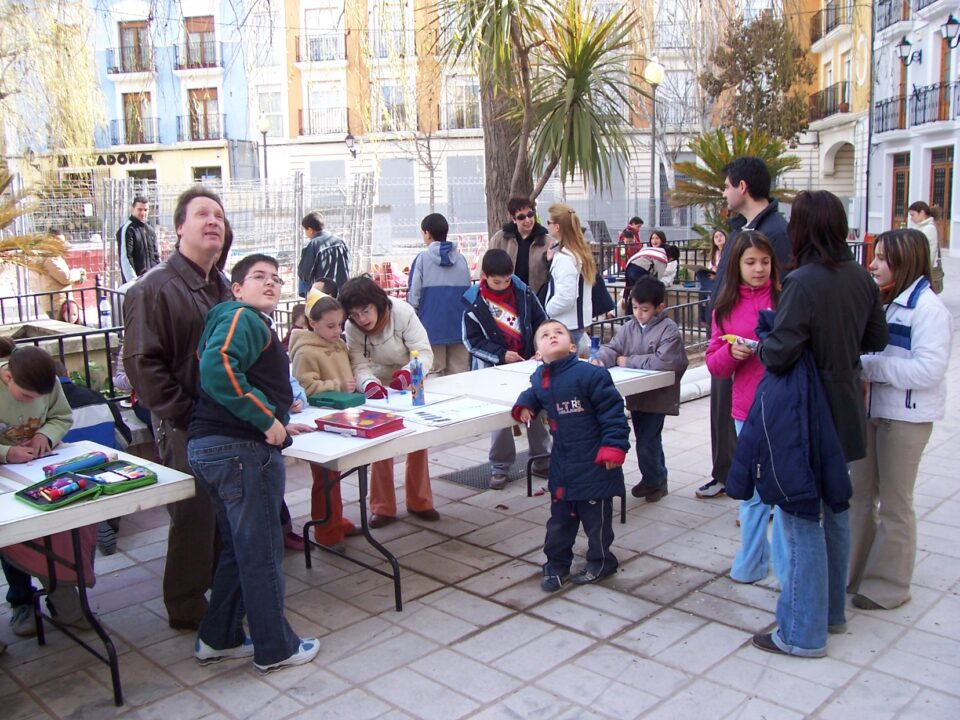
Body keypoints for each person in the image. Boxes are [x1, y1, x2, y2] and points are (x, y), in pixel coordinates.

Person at [748, 190, 887, 658]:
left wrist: (764, 341)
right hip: (846, 408)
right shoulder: (860, 278)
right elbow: (875, 337)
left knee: (802, 519)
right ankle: (831, 614)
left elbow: (781, 353)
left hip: (809, 413)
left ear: (804, 228)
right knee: (836, 510)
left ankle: (803, 632)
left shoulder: (803, 281)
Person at [187, 253, 319, 673]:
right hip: (240, 451)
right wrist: (265, 421)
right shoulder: (241, 317)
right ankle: (275, 647)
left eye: (277, 279)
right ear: (237, 288)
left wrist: (279, 421)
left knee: (239, 551)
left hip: (218, 448)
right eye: (258, 277)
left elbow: (241, 378)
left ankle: (219, 636)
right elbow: (218, 369)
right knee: (261, 552)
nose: (270, 284)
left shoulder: (238, 320)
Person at [122, 185, 233, 631]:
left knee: (222, 510)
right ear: (178, 227)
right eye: (202, 214)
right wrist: (184, 412)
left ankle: (218, 589)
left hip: (224, 417)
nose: (213, 222)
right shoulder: (153, 288)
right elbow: (141, 363)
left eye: (219, 217)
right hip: (187, 423)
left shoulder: (222, 284)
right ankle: (185, 604)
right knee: (193, 514)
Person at [848, 229, 952, 610]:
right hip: (872, 414)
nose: (872, 264)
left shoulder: (929, 310)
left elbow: (928, 370)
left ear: (904, 261)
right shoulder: (885, 301)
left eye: (882, 258)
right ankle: (852, 571)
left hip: (904, 421)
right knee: (859, 495)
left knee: (894, 504)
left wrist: (871, 367)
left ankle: (887, 586)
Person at [698, 156, 791, 500]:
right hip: (728, 336)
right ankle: (726, 474)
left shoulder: (775, 232)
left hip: (758, 353)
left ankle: (758, 489)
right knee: (723, 410)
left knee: (756, 426)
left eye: (726, 185)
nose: (723, 192)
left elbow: (779, 290)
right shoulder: (741, 228)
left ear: (742, 187)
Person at [513, 320, 630, 591]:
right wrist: (525, 405)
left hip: (595, 464)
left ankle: (602, 561)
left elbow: (613, 414)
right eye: (544, 335)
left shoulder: (590, 375)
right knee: (559, 523)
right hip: (564, 465)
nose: (552, 336)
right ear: (538, 354)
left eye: (558, 333)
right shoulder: (539, 378)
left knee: (596, 524)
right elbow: (534, 394)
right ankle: (555, 565)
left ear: (573, 347)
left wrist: (614, 447)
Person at [704, 231, 785, 584]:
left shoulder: (785, 298)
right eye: (751, 262)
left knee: (783, 494)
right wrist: (730, 354)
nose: (758, 269)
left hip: (784, 406)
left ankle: (786, 570)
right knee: (751, 494)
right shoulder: (725, 305)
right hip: (745, 409)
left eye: (764, 262)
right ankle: (751, 562)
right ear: (736, 265)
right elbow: (714, 363)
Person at [0, 339, 91, 638]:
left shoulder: (47, 383)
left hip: (39, 466)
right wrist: (6, 453)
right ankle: (21, 601)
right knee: (13, 535)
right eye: (25, 396)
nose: (30, 402)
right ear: (7, 377)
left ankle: (60, 596)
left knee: (59, 529)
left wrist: (45, 436)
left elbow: (60, 415)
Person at [340, 276, 439, 528]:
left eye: (366, 311)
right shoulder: (352, 328)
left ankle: (420, 501)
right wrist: (369, 384)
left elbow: (424, 350)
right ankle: (382, 507)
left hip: (411, 377)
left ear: (377, 302)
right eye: (355, 314)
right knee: (380, 443)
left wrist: (409, 373)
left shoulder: (403, 312)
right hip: (378, 385)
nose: (362, 319)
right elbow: (358, 364)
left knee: (418, 440)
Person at [592, 277, 687, 503]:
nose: (638, 314)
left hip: (659, 395)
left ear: (659, 308)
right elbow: (613, 347)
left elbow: (665, 361)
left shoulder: (669, 329)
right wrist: (601, 360)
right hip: (638, 394)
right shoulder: (629, 327)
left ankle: (655, 481)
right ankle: (655, 478)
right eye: (635, 308)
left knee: (647, 441)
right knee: (647, 439)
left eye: (644, 309)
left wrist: (629, 361)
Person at [462, 248, 550, 490]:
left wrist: (541, 346)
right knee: (500, 418)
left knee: (534, 409)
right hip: (493, 370)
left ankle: (542, 458)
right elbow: (472, 342)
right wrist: (501, 355)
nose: (502, 285)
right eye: (496, 281)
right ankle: (500, 466)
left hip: (528, 362)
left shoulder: (523, 292)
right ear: (485, 276)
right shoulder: (474, 302)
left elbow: (542, 321)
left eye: (507, 280)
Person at [289, 289, 360, 547]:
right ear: (312, 323)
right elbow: (304, 389)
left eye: (340, 325)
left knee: (335, 475)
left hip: (342, 417)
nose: (337, 331)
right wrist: (338, 385)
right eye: (330, 326)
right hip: (319, 422)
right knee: (325, 478)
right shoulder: (305, 351)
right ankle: (326, 530)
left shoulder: (338, 344)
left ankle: (335, 521)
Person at [407, 213, 472, 376]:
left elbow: (414, 295)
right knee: (460, 373)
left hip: (431, 328)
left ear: (427, 233)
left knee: (434, 372)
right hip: (459, 327)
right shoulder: (461, 259)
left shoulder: (422, 259)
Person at [544, 203, 595, 346]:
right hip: (575, 322)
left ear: (557, 226)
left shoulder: (565, 257)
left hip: (566, 324)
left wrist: (548, 309)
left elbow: (566, 297)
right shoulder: (579, 251)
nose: (548, 226)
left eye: (549, 222)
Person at [489, 196, 551, 297]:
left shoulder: (547, 241)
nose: (527, 220)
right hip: (506, 299)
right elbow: (487, 268)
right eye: (521, 217)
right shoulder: (499, 239)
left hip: (536, 300)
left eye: (530, 215)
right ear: (513, 219)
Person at [30, 229, 86, 319]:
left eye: (63, 242)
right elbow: (65, 278)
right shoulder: (50, 258)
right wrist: (79, 273)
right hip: (57, 304)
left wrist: (75, 280)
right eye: (59, 242)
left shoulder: (50, 256)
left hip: (55, 302)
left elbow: (57, 280)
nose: (62, 245)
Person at [297, 211, 350, 297]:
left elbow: (305, 273)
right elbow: (348, 264)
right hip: (342, 293)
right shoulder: (340, 242)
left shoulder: (313, 245)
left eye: (305, 230)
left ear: (310, 230)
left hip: (321, 294)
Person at [116, 196, 159, 284]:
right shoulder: (128, 229)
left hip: (152, 283)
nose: (143, 213)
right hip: (137, 285)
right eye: (139, 209)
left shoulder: (150, 230)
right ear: (133, 209)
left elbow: (156, 256)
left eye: (145, 210)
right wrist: (133, 282)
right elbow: (126, 257)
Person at [907, 201, 942, 293]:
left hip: (923, 267)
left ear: (922, 213)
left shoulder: (929, 228)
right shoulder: (919, 227)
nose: (911, 218)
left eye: (913, 215)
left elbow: (922, 249)